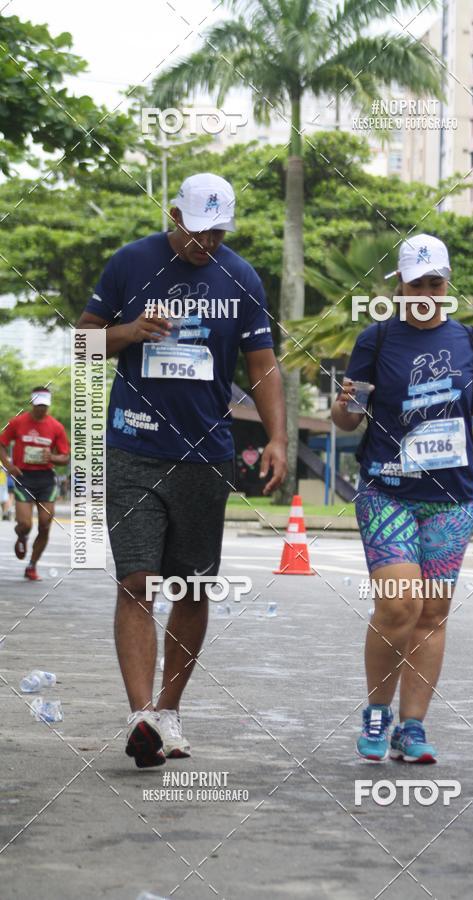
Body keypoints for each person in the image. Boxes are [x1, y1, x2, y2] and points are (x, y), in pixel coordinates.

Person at [77, 172, 287, 768]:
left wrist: (276, 437)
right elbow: (82, 344)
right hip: (134, 447)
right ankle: (141, 714)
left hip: (206, 453)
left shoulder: (241, 277)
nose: (208, 243)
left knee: (192, 589)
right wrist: (130, 331)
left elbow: (263, 364)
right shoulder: (130, 264)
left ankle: (168, 711)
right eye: (198, 231)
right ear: (174, 215)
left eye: (218, 232)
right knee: (136, 580)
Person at [332, 233, 473, 763]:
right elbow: (347, 417)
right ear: (400, 287)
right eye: (416, 284)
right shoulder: (377, 340)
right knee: (399, 603)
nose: (426, 292)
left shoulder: (471, 344)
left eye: (435, 282)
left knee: (430, 612)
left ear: (446, 283)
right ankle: (377, 714)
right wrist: (344, 405)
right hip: (388, 491)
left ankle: (413, 727)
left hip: (451, 497)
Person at [0, 388, 70, 580]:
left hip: (46, 479)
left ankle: (32, 565)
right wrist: (9, 465)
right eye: (38, 405)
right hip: (24, 477)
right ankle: (21, 535)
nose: (42, 409)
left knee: (45, 524)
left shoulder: (56, 427)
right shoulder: (18, 422)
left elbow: (65, 457)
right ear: (32, 403)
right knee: (24, 523)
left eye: (45, 406)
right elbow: (2, 443)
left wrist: (52, 456)